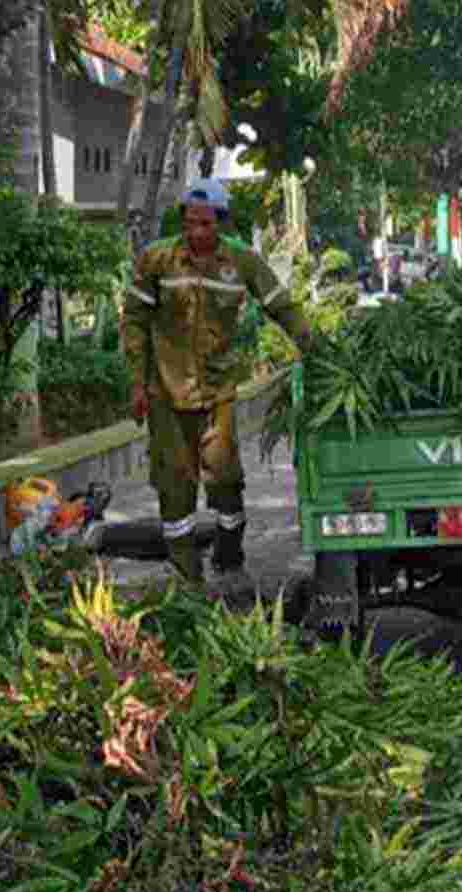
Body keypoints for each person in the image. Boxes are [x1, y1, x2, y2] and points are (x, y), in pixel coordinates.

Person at [123, 178, 315, 594]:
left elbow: (280, 305)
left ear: (222, 223)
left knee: (225, 480)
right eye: (190, 223)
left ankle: (229, 556)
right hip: (165, 393)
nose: (196, 232)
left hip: (218, 393)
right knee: (174, 485)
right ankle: (186, 574)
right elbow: (134, 321)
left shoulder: (242, 262)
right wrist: (137, 383)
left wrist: (310, 344)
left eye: (205, 224)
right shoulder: (157, 259)